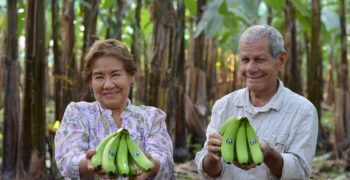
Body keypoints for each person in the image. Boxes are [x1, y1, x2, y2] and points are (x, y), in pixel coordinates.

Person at [195, 24, 318, 179]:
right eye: (245, 60)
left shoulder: (302, 111)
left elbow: (300, 173)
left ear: (281, 59)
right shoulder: (224, 106)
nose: (250, 68)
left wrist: (270, 155)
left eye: (259, 60)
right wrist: (211, 158)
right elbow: (210, 172)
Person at [55, 39, 174, 179]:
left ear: (131, 77)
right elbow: (67, 158)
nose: (108, 85)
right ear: (90, 82)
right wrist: (87, 163)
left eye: (115, 74)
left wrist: (153, 165)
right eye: (99, 77)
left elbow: (164, 159)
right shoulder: (78, 113)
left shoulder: (152, 117)